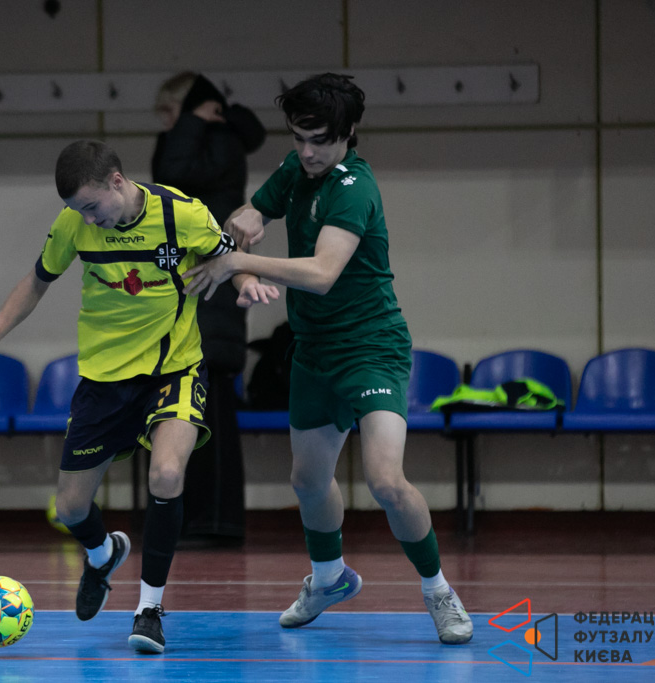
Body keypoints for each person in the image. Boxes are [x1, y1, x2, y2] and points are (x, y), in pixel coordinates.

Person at [185, 73, 474, 645]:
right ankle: (329, 578)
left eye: (320, 141)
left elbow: (320, 273)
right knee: (308, 480)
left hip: (371, 349)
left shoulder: (354, 189)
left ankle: (438, 589)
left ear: (348, 133)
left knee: (386, 480)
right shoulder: (297, 170)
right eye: (298, 138)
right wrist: (244, 231)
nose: (308, 152)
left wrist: (238, 263)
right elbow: (246, 221)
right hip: (312, 351)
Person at [0, 140, 277, 654]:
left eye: (91, 206)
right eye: (77, 210)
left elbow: (227, 256)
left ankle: (149, 609)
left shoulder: (181, 214)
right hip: (104, 379)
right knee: (70, 507)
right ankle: (103, 554)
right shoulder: (74, 224)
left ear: (116, 181)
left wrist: (245, 281)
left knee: (167, 473)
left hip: (173, 368)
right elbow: (37, 282)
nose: (88, 218)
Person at [151, 72, 266, 542]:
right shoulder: (207, 142)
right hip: (198, 295)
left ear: (191, 111)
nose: (165, 123)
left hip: (210, 298)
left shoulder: (217, 142)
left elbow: (173, 173)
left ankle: (217, 520)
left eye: (170, 112)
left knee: (211, 413)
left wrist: (195, 121)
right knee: (192, 413)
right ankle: (195, 516)